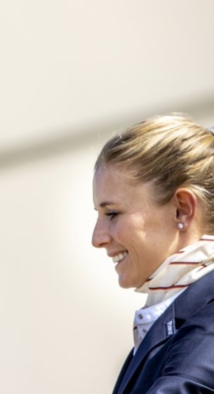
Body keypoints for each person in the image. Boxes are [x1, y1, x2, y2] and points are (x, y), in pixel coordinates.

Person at [92, 113, 214, 393]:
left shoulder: (207, 317)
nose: (97, 238)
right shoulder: (169, 314)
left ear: (181, 209)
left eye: (112, 213)